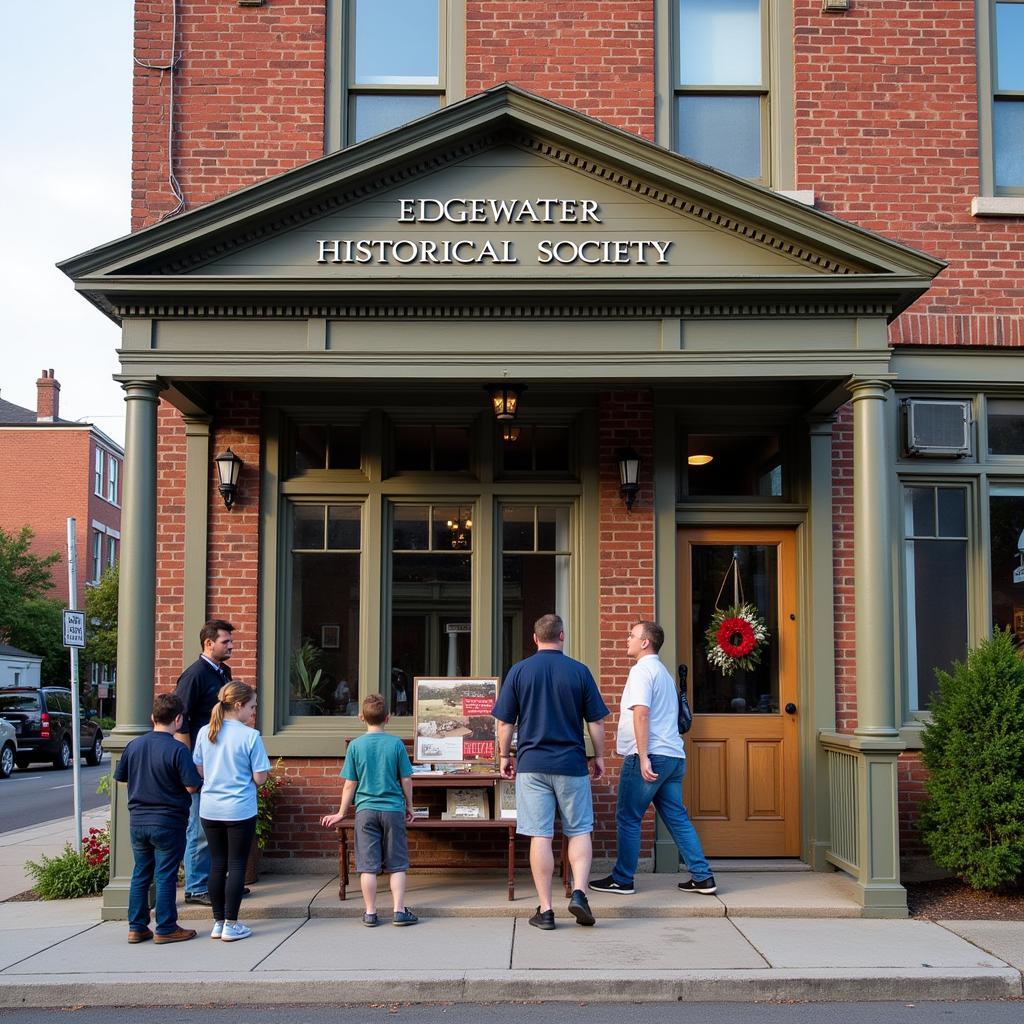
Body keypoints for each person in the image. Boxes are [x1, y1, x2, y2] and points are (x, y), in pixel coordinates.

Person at [491, 613, 609, 931]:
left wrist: (505, 755)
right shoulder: (579, 671)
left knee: (540, 834)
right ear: (562, 636)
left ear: (535, 638)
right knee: (579, 830)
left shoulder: (519, 671)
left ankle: (545, 910)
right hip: (571, 763)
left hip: (532, 765)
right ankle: (580, 893)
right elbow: (596, 721)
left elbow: (505, 722)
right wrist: (598, 755)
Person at [589, 620, 717, 897]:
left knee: (628, 817)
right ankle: (703, 876)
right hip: (673, 756)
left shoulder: (642, 671)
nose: (627, 639)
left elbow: (642, 713)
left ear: (645, 642)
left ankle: (622, 879)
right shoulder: (663, 672)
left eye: (632, 635)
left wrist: (643, 757)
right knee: (676, 817)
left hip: (650, 755)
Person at [320, 693, 418, 927]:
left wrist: (342, 812)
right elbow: (406, 779)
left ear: (361, 717)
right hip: (393, 809)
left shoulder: (355, 746)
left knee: (368, 865)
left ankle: (371, 913)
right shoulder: (395, 744)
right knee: (397, 864)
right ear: (388, 718)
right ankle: (398, 911)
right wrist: (410, 806)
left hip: (365, 811)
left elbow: (349, 784)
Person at [113, 692, 202, 945]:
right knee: (165, 874)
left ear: (152, 717)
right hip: (168, 821)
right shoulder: (178, 749)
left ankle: (137, 926)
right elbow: (192, 786)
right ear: (178, 719)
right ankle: (166, 927)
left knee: (141, 872)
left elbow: (122, 778)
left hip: (138, 820)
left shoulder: (134, 746)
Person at [192, 681, 270, 942]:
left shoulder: (205, 732)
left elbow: (200, 770)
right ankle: (232, 923)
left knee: (217, 864)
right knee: (237, 865)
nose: (253, 711)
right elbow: (260, 778)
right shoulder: (250, 736)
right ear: (238, 706)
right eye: (251, 706)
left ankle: (217, 922)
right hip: (239, 808)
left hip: (210, 808)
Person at [173, 618, 235, 906]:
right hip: (200, 764)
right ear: (209, 643)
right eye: (226, 641)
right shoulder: (194, 675)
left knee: (218, 825)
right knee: (199, 827)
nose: (231, 645)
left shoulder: (224, 672)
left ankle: (216, 882)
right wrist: (189, 767)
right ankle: (196, 887)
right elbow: (180, 722)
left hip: (220, 761)